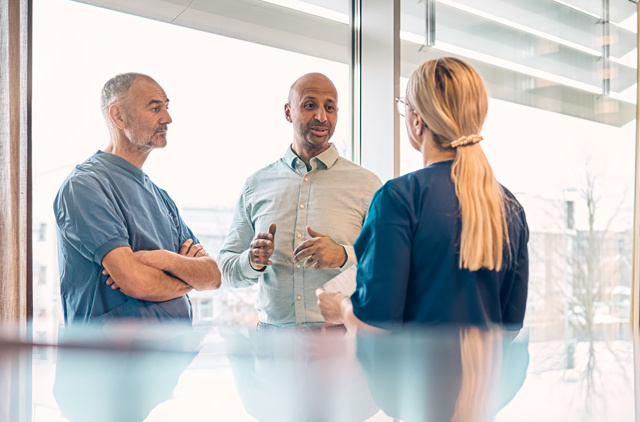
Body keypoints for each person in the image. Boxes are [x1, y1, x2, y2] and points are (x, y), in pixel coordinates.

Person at [316, 58, 529, 421]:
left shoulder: (399, 198)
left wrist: (340, 307)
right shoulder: (508, 206)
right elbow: (510, 325)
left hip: (418, 399)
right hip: (480, 401)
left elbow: (376, 323)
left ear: (417, 121)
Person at [54, 72, 221, 325]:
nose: (168, 118)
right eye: (155, 108)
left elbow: (212, 276)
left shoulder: (160, 197)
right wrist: (188, 277)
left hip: (167, 358)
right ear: (118, 116)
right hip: (107, 360)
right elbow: (136, 282)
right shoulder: (86, 185)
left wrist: (166, 260)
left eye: (166, 107)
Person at [217, 72, 382, 329]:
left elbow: (386, 264)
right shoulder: (256, 185)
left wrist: (342, 255)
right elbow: (225, 268)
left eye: (330, 107)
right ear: (288, 112)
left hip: (339, 338)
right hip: (272, 342)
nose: (321, 116)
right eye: (309, 105)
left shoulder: (367, 185)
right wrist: (251, 261)